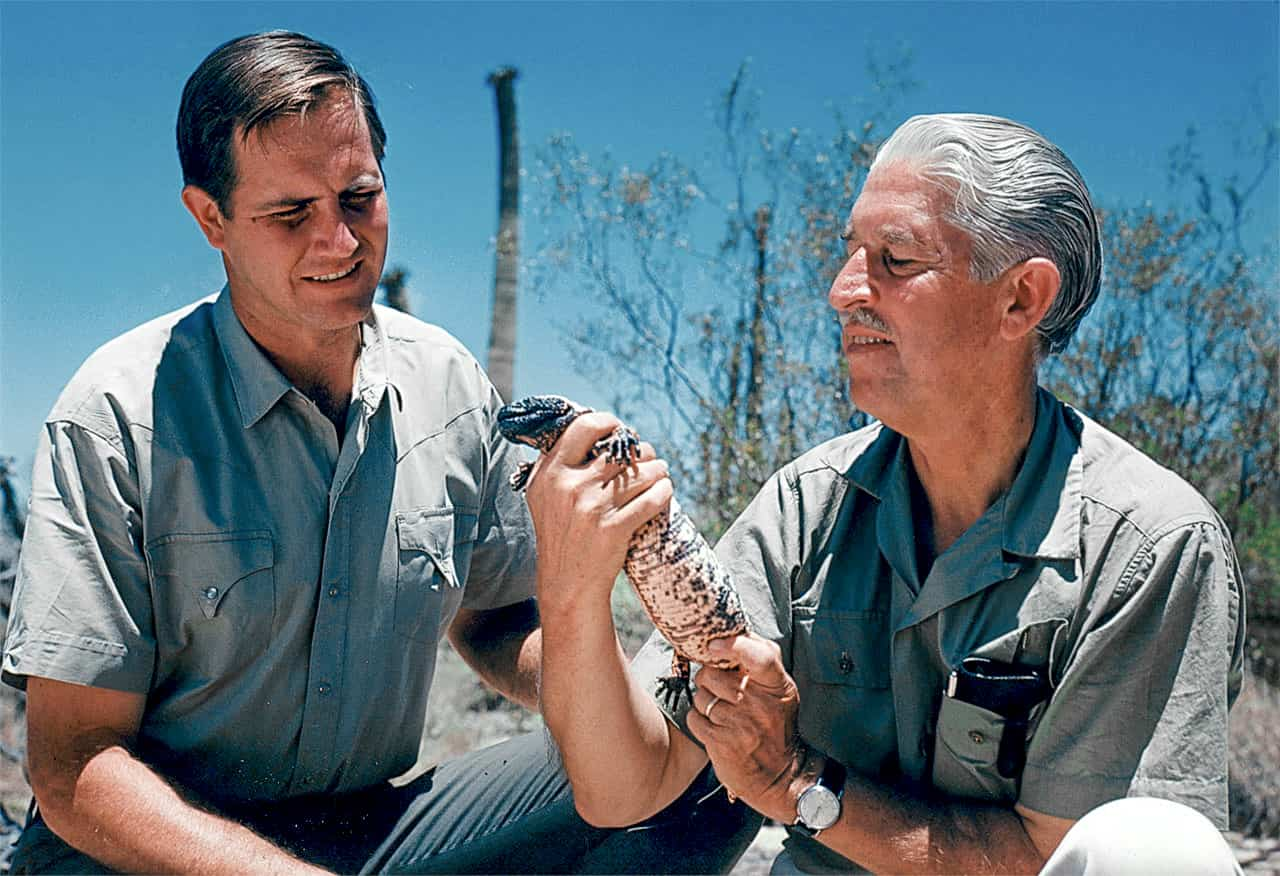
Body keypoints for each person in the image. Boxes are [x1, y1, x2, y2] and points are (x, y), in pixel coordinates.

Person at [1, 31, 759, 876]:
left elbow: (501, 618)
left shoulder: (445, 382)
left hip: (366, 835)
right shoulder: (115, 417)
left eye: (359, 198)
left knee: (696, 769)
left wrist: (603, 645)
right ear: (209, 217)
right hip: (145, 854)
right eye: (291, 215)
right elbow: (72, 766)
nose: (340, 242)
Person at [527, 114, 1248, 874]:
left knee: (1163, 853)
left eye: (896, 260)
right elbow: (625, 791)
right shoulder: (809, 506)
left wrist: (794, 779)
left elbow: (1054, 856)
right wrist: (573, 588)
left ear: (1021, 299)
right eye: (849, 256)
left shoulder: (1151, 546)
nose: (843, 293)